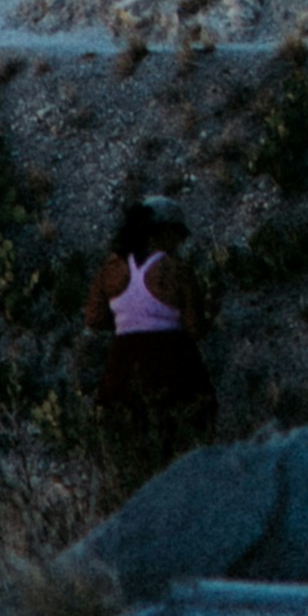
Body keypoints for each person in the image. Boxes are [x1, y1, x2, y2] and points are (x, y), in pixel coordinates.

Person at [82, 194, 216, 455]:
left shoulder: (111, 270)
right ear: (164, 232)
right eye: (179, 234)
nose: (181, 242)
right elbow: (194, 329)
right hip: (171, 363)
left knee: (128, 446)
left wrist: (127, 319)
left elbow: (94, 318)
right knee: (186, 437)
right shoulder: (177, 270)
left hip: (122, 364)